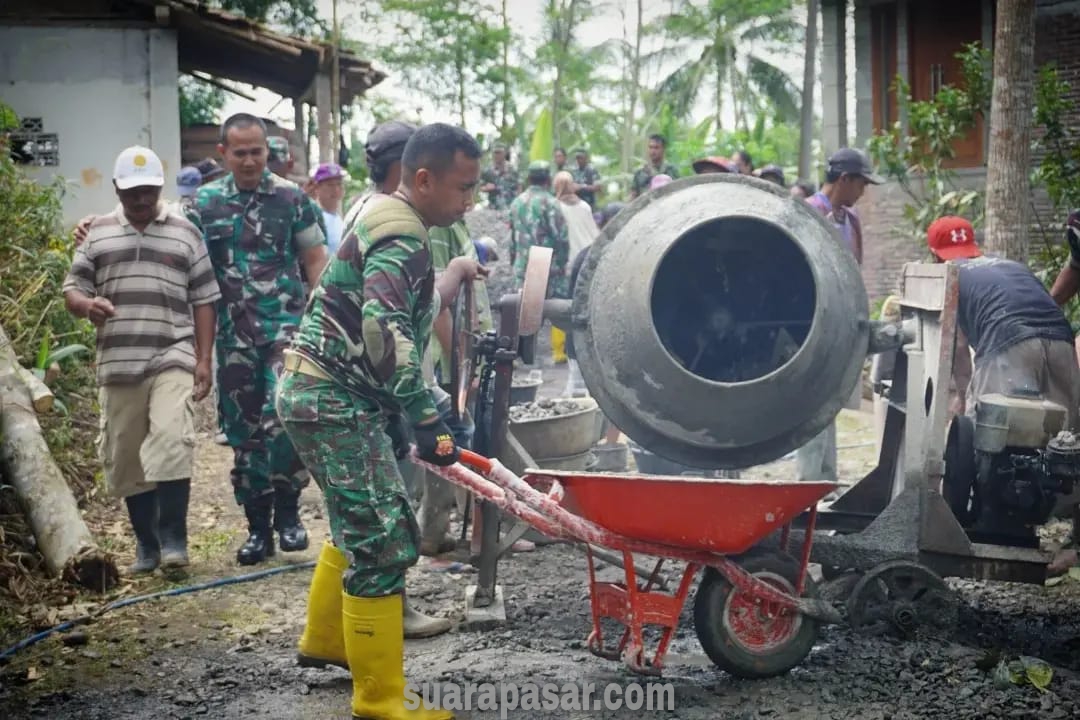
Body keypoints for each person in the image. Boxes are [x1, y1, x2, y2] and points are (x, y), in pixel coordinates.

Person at [276, 123, 484, 720]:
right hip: (332, 399)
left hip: (321, 393)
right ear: (423, 180)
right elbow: (383, 327)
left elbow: (416, 302)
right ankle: (380, 699)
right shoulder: (404, 237)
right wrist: (427, 417)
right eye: (463, 188)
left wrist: (460, 272)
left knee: (358, 522)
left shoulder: (386, 214)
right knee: (386, 538)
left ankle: (328, 641)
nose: (470, 201)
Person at [62, 146, 220, 575]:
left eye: (149, 190)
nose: (141, 199)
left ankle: (174, 542)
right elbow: (72, 288)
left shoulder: (186, 232)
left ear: (159, 187)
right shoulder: (96, 233)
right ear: (117, 189)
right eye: (132, 191)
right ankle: (147, 547)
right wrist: (86, 306)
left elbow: (205, 299)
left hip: (171, 352)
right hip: (117, 359)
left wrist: (202, 359)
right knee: (126, 454)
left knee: (171, 440)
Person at [191, 113, 328, 566]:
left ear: (268, 152)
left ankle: (288, 515)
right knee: (243, 434)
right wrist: (96, 223)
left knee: (286, 420)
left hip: (285, 333)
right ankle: (256, 530)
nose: (250, 160)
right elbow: (167, 238)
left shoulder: (292, 199)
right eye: (240, 152)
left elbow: (314, 259)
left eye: (257, 151)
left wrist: (321, 324)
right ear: (223, 154)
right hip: (232, 338)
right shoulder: (203, 204)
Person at [797, 148, 882, 484]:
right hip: (810, 319)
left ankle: (826, 479)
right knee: (810, 401)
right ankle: (809, 479)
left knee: (829, 401)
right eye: (861, 183)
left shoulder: (851, 220)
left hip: (841, 319)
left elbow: (854, 269)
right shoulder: (808, 214)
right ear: (844, 179)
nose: (862, 192)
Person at [510, 161, 571, 301]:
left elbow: (513, 239)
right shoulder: (551, 203)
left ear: (528, 179)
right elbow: (562, 238)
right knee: (553, 314)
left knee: (524, 315)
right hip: (547, 270)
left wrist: (515, 261)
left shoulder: (516, 202)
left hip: (523, 268)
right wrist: (562, 264)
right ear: (549, 179)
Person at [312, 162, 348, 255]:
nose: (336, 190)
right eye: (330, 185)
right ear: (317, 188)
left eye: (339, 184)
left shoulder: (339, 218)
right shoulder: (314, 218)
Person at [479, 143, 519, 210]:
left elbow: (519, 186)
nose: (497, 155)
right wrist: (487, 188)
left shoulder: (512, 169)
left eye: (499, 152)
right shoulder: (488, 171)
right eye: (495, 153)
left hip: (510, 207)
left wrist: (518, 202)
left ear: (505, 153)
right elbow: (480, 187)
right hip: (494, 208)